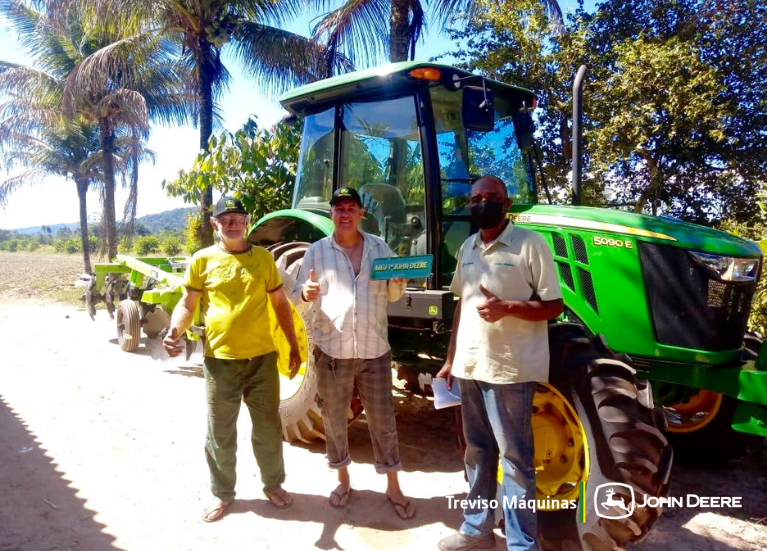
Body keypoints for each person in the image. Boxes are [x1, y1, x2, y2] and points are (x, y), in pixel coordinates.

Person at [436, 176, 563, 551]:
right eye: (476, 198)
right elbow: (462, 304)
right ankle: (477, 530)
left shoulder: (530, 244)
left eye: (491, 197)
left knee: (515, 459)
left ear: (507, 204)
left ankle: (523, 544)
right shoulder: (468, 247)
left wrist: (508, 307)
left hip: (511, 369)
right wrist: (450, 358)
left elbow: (554, 305)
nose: (482, 203)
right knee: (476, 452)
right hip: (470, 367)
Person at [163, 196, 302, 522]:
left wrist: (293, 346)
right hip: (219, 361)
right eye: (225, 219)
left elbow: (281, 305)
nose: (233, 223)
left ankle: (273, 485)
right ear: (216, 224)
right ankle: (221, 493)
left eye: (238, 217)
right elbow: (188, 303)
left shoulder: (264, 259)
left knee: (268, 428)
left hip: (262, 360)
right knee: (220, 432)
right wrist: (175, 330)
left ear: (247, 220)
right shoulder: (203, 260)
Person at [292, 187, 415, 519]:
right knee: (334, 420)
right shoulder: (316, 252)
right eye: (338, 208)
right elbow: (296, 295)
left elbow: (391, 295)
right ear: (331, 214)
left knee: (383, 420)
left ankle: (393, 485)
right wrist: (305, 292)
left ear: (362, 213)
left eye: (351, 208)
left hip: (374, 350)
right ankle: (344, 480)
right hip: (333, 351)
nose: (344, 213)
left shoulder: (380, 248)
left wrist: (399, 281)